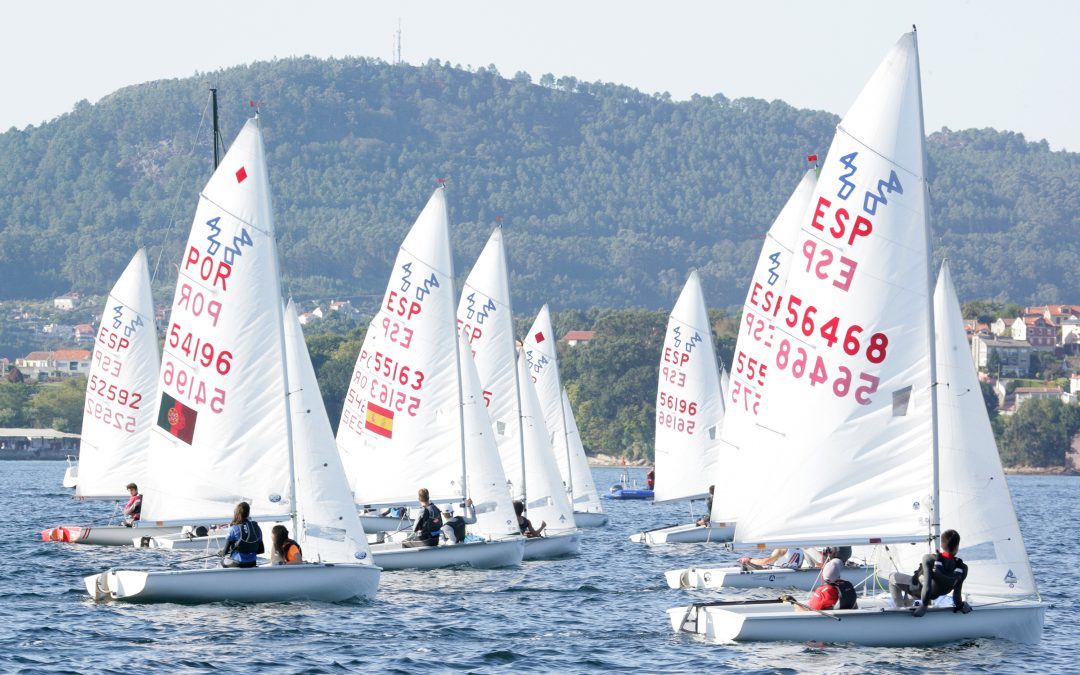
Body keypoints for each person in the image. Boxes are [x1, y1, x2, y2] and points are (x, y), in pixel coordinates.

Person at [888, 529, 972, 617]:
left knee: (892, 576)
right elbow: (957, 595)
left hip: (919, 590)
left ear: (942, 546)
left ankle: (900, 610)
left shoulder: (929, 558)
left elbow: (927, 587)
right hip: (933, 594)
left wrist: (923, 607)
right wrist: (960, 605)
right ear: (957, 547)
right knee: (915, 590)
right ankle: (908, 605)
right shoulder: (963, 568)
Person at [218, 501, 264, 568]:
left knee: (222, 562)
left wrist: (220, 553)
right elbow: (260, 549)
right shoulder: (256, 528)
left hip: (239, 563)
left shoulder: (233, 528)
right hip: (253, 562)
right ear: (248, 513)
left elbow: (225, 552)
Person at [737, 547, 805, 570]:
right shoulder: (801, 549)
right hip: (792, 573)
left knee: (745, 563)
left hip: (777, 574)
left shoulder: (781, 549)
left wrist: (749, 559)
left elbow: (766, 562)